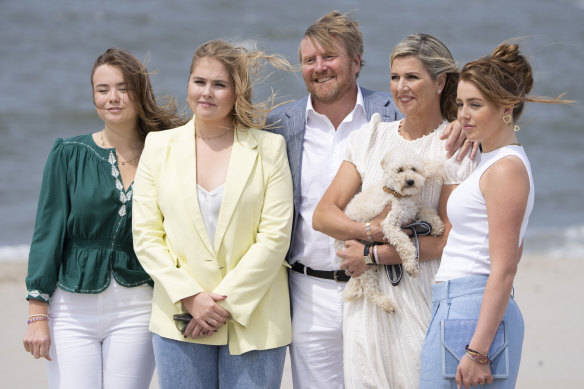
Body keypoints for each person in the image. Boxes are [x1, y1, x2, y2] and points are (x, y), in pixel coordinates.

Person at [312, 33, 477, 388]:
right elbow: (324, 215)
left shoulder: (454, 147)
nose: (401, 87)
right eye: (394, 77)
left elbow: (448, 239)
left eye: (412, 77)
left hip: (420, 295)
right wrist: (368, 235)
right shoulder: (370, 137)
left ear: (440, 81)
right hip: (366, 306)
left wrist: (371, 254)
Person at [131, 40, 294, 389]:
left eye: (219, 84)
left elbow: (275, 237)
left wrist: (222, 305)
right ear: (188, 83)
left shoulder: (269, 148)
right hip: (180, 318)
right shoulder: (159, 147)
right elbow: (146, 236)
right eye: (199, 81)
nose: (207, 93)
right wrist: (190, 297)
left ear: (237, 92)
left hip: (255, 319)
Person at [22, 48, 186, 388]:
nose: (112, 98)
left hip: (138, 306)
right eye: (102, 89)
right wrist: (37, 313)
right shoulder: (69, 154)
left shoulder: (167, 155)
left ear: (140, 91)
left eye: (122, 88)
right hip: (70, 308)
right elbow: (47, 234)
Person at [419, 42, 570, 389]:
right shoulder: (489, 161)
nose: (463, 115)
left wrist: (477, 352)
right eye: (459, 104)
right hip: (460, 309)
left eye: (475, 105)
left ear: (507, 107)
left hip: (471, 313)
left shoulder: (506, 170)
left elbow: (505, 267)